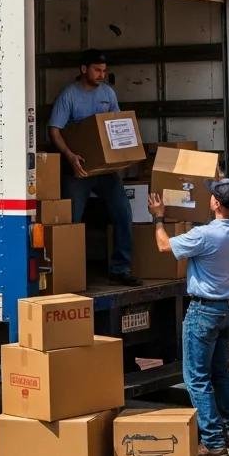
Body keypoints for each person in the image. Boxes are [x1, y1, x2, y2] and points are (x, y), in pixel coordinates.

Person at [148, 178, 229, 456]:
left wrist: (158, 217)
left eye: (213, 197)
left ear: (216, 203)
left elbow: (164, 246)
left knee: (196, 378)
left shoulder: (205, 236)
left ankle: (214, 442)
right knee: (220, 373)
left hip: (204, 312)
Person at [48, 48, 140, 287]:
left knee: (123, 213)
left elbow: (118, 125)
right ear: (83, 69)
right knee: (73, 222)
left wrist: (121, 158)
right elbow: (55, 130)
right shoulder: (69, 95)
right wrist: (70, 156)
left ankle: (120, 268)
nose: (101, 75)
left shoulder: (108, 93)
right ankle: (71, 272)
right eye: (97, 70)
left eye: (104, 71)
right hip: (79, 169)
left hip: (106, 171)